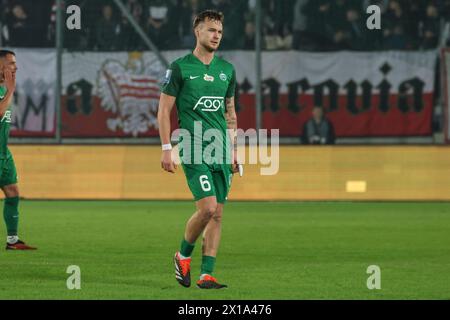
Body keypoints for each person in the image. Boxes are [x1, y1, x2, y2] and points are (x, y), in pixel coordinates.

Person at [157, 10, 239, 289]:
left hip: (221, 148)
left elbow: (230, 112)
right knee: (207, 208)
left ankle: (207, 274)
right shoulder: (180, 67)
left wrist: (234, 151)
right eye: (211, 30)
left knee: (218, 213)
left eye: (219, 31)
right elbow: (164, 110)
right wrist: (167, 148)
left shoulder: (227, 70)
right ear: (197, 32)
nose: (216, 36)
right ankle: (182, 256)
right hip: (192, 146)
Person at [0, 50, 36, 250]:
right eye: (11, 63)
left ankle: (12, 240)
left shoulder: (4, 89)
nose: (16, 67)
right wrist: (10, 90)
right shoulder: (7, 90)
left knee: (13, 192)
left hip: (4, 153)